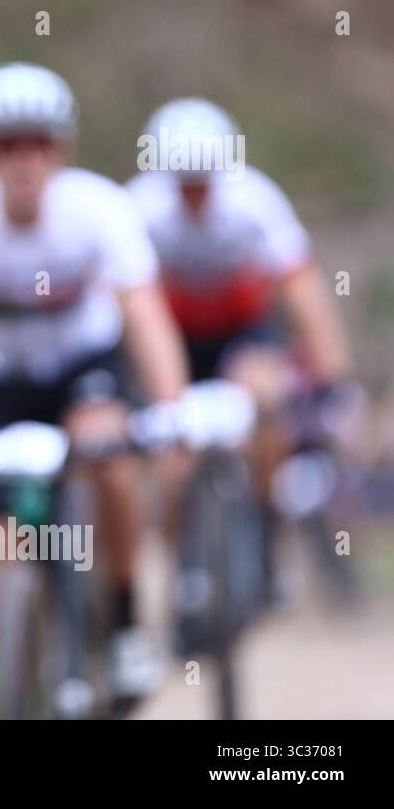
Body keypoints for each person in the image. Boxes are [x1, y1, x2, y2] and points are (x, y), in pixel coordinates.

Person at [0, 62, 189, 707]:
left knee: (106, 451)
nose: (23, 160)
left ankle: (122, 624)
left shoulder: (98, 208)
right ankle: (26, 661)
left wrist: (170, 408)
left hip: (87, 366)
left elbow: (146, 316)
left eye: (39, 143)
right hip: (5, 384)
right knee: (1, 559)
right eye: (7, 145)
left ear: (62, 149)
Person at [127, 97, 362, 590]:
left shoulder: (255, 199)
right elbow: (120, 299)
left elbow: (302, 288)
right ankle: (184, 574)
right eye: (182, 182)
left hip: (242, 330)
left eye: (203, 181)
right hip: (176, 337)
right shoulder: (139, 207)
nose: (194, 194)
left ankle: (264, 533)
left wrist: (334, 374)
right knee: (174, 446)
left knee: (265, 400)